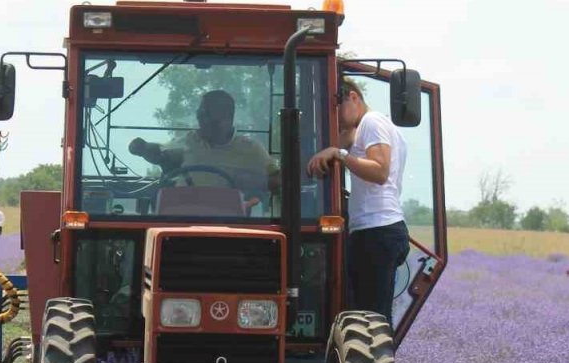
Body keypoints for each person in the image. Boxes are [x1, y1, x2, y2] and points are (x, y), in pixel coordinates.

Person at [307, 78, 409, 328]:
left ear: (353, 97)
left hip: (377, 230)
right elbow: (348, 139)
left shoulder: (372, 123)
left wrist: (339, 154)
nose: (337, 117)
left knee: (372, 321)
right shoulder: (367, 126)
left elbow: (379, 170)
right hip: (377, 229)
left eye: (336, 108)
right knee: (367, 316)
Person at [128, 90, 278, 200]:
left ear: (226, 118)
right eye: (199, 113)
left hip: (232, 222)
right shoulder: (190, 141)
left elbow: (278, 181)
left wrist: (257, 181)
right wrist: (144, 148)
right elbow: (161, 153)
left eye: (204, 114)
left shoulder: (251, 149)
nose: (199, 118)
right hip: (181, 217)